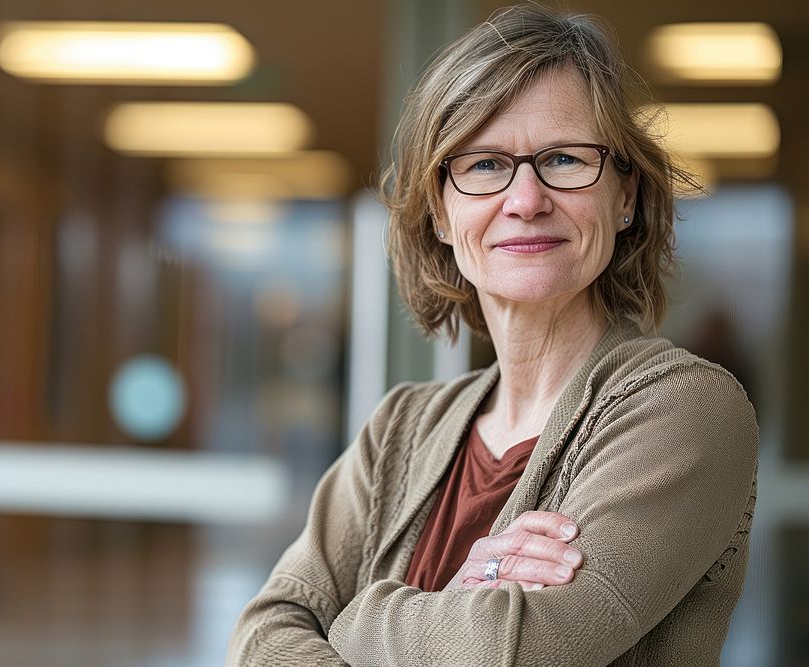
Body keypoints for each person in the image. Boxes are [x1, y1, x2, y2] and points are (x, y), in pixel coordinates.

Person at [227, 4, 758, 666]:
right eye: (482, 165)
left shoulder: (684, 409)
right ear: (441, 213)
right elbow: (263, 633)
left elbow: (512, 651)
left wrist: (358, 618)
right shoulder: (401, 429)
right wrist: (455, 603)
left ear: (625, 196)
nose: (526, 199)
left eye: (564, 158)